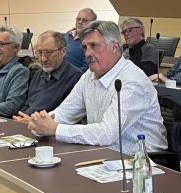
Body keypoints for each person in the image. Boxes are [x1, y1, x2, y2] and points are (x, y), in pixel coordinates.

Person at [21, 21, 167, 154]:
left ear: (115, 47)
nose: (88, 53)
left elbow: (106, 133)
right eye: (85, 47)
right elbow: (65, 112)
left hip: (144, 162)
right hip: (104, 154)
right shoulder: (89, 76)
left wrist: (55, 129)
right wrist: (41, 122)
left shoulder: (132, 81)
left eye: (94, 46)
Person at [16, 30, 81, 117]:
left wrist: (31, 121)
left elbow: (66, 116)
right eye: (39, 53)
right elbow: (27, 105)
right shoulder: (38, 74)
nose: (43, 59)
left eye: (48, 53)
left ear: (63, 51)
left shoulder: (75, 78)